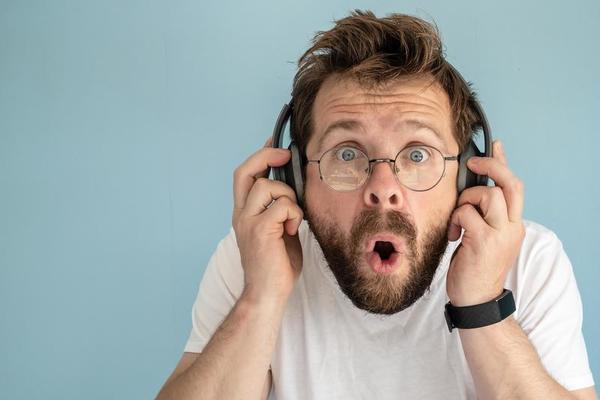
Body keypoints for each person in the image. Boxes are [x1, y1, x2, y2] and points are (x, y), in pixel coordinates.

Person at [156, 10, 596, 400]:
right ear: (295, 177)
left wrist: (482, 304)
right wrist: (262, 297)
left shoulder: (529, 261)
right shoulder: (254, 257)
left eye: (418, 154)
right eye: (346, 154)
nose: (383, 187)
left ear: (467, 176)